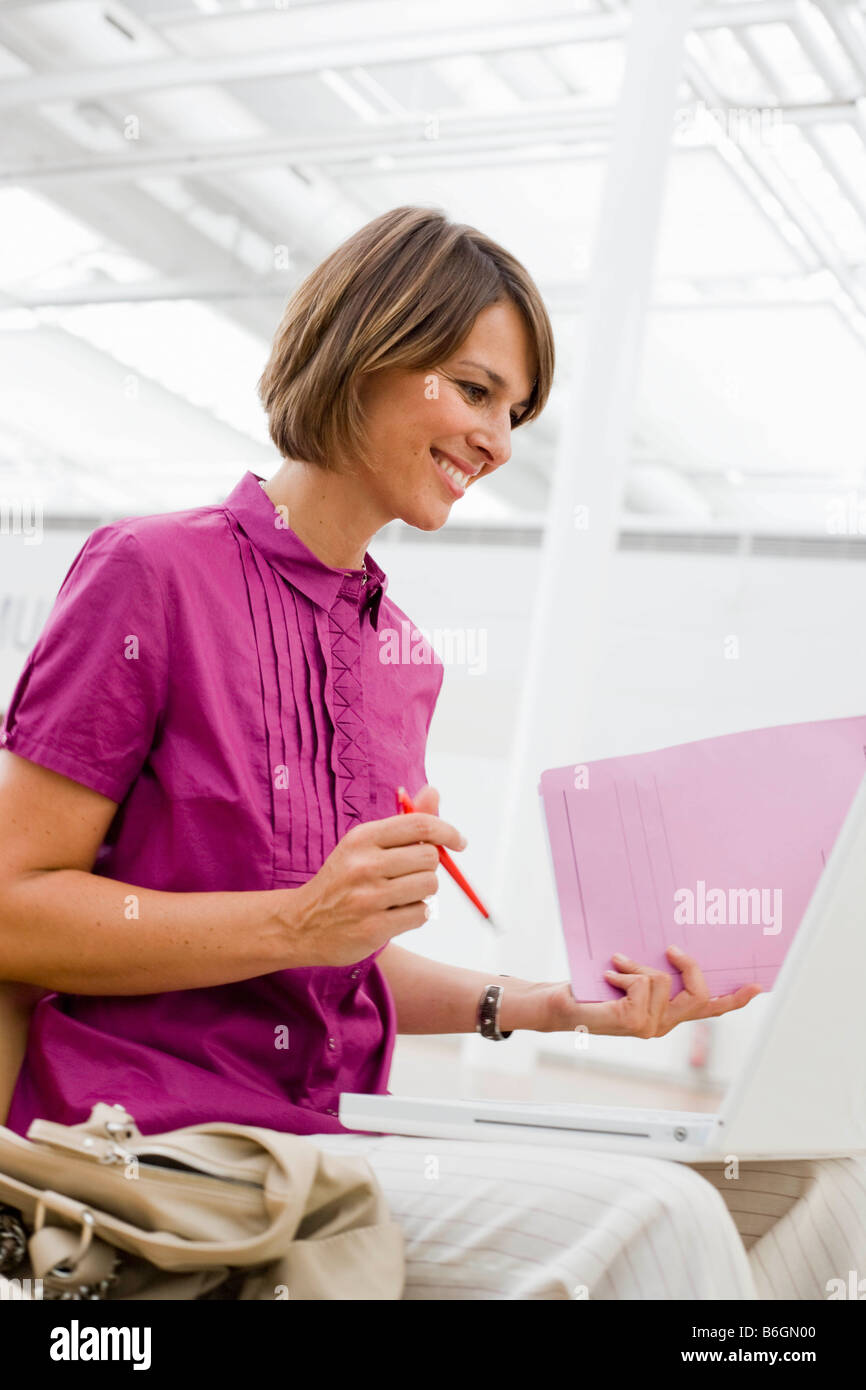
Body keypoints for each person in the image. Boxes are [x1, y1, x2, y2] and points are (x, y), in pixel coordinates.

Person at [0, 206, 858, 1300]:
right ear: (365, 347)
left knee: (819, 1186)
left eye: (514, 411)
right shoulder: (150, 575)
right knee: (660, 1216)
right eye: (471, 388)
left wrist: (545, 1006)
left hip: (338, 1130)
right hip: (159, 1144)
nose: (498, 441)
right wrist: (297, 918)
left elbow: (335, 958)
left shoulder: (398, 654)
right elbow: (12, 905)